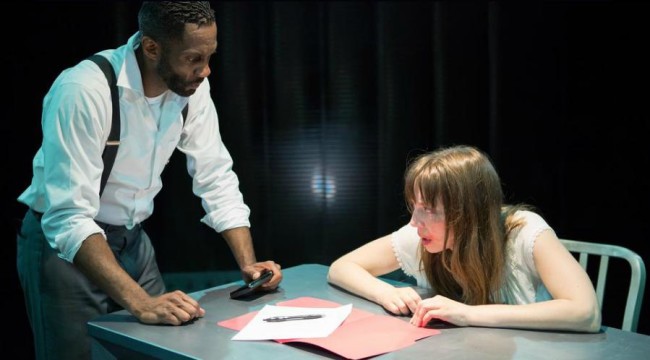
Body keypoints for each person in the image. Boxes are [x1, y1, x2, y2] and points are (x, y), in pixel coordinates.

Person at [16, 2, 283, 359]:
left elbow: (216, 175)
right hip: (66, 249)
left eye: (210, 56)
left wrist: (248, 265)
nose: (205, 71)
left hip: (133, 241)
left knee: (161, 349)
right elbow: (67, 217)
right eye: (193, 58)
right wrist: (141, 303)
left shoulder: (191, 87)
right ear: (152, 47)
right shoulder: (84, 90)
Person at [328, 145, 601, 333]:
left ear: (468, 213)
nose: (414, 222)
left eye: (429, 210)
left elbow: (585, 313)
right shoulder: (422, 236)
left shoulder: (524, 231)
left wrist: (467, 314)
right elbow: (341, 267)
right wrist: (387, 292)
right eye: (415, 206)